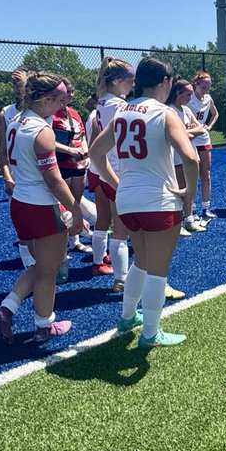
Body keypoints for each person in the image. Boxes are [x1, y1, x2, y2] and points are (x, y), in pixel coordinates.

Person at [90, 56, 197, 347]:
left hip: (128, 200)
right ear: (164, 82)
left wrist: (117, 183)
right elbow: (190, 156)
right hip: (158, 199)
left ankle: (128, 316)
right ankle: (150, 333)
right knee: (158, 269)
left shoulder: (123, 111)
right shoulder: (164, 113)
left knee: (142, 262)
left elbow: (96, 152)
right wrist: (189, 192)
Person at [0, 72, 83, 344]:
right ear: (45, 98)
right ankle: (44, 326)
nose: (62, 107)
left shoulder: (16, 120)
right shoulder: (41, 130)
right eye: (59, 100)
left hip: (20, 203)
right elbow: (53, 180)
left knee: (40, 266)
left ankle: (6, 310)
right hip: (41, 206)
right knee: (49, 272)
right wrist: (75, 209)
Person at [87, 58, 134, 286]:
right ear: (116, 81)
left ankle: (97, 263)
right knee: (121, 229)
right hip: (114, 170)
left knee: (102, 221)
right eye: (129, 79)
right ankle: (121, 279)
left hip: (98, 169)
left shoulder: (101, 103)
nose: (133, 84)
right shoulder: (120, 106)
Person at [0, 67, 36, 268]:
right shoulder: (7, 113)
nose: (18, 88)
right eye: (15, 84)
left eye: (22, 84)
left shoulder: (42, 110)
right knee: (23, 222)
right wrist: (7, 177)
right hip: (19, 175)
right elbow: (2, 152)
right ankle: (30, 265)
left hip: (41, 172)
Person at [52, 77, 92, 253]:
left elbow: (82, 135)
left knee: (75, 202)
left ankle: (74, 240)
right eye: (68, 93)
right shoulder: (51, 115)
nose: (71, 96)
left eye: (72, 92)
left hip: (78, 163)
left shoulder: (74, 113)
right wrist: (69, 151)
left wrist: (84, 151)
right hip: (62, 162)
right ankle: (61, 243)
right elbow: (48, 141)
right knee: (64, 204)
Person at [167, 77, 208, 234]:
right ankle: (178, 222)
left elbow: (201, 128)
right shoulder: (170, 111)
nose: (191, 98)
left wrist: (187, 131)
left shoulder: (187, 110)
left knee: (191, 189)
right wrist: (188, 132)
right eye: (188, 94)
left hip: (191, 153)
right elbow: (178, 135)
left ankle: (189, 220)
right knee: (180, 189)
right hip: (177, 157)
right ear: (178, 93)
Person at [187, 71, 219, 220]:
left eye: (208, 87)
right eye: (204, 87)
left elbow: (215, 113)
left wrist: (209, 126)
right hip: (191, 138)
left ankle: (206, 207)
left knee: (206, 174)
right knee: (191, 175)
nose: (206, 90)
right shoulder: (188, 97)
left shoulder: (208, 98)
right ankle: (191, 209)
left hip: (204, 138)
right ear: (196, 84)